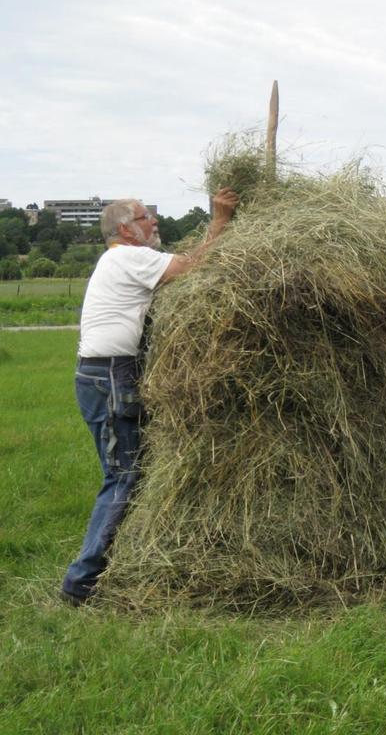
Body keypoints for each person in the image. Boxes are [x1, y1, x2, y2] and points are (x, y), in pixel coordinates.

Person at [60, 188, 238, 606]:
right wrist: (221, 220)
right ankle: (81, 582)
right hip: (110, 376)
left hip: (103, 374)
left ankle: (112, 563)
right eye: (145, 217)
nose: (153, 222)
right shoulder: (128, 257)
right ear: (125, 229)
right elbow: (196, 266)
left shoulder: (120, 260)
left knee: (128, 473)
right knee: (124, 476)